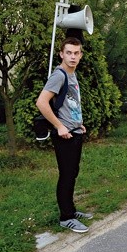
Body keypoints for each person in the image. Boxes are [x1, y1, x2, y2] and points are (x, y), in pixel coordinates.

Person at [36, 37, 91, 233]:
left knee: (72, 173)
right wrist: (59, 126)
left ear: (81, 55)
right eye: (69, 52)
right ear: (61, 54)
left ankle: (71, 210)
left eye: (76, 53)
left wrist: (78, 124)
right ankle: (65, 217)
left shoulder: (72, 74)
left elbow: (69, 103)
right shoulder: (59, 75)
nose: (73, 57)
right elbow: (41, 102)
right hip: (64, 135)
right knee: (67, 175)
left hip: (74, 131)